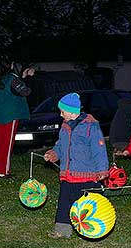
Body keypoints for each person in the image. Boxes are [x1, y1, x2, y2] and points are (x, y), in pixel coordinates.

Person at [44, 93, 109, 238]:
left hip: (86, 176)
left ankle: (95, 229)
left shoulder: (91, 126)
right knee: (64, 204)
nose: (60, 114)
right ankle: (62, 230)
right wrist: (54, 154)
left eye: (63, 111)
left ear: (72, 111)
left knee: (89, 205)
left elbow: (99, 149)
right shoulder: (65, 127)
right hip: (68, 175)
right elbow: (60, 145)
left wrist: (102, 169)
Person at [0, 61, 35, 178]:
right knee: (8, 144)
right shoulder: (13, 79)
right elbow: (26, 91)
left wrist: (23, 77)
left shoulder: (2, 78)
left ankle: (2, 170)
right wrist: (29, 77)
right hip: (10, 115)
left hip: (0, 114)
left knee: (2, 143)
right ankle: (4, 172)